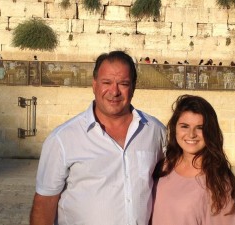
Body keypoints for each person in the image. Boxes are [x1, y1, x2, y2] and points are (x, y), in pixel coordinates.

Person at [30, 51, 166, 225]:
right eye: (106, 82)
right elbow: (44, 204)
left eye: (123, 83)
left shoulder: (154, 131)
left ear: (133, 87)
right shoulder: (63, 139)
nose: (114, 91)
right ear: (94, 85)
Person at [151, 95, 235, 225]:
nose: (191, 134)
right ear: (175, 128)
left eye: (200, 128)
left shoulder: (218, 182)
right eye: (184, 126)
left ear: (210, 132)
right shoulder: (163, 166)